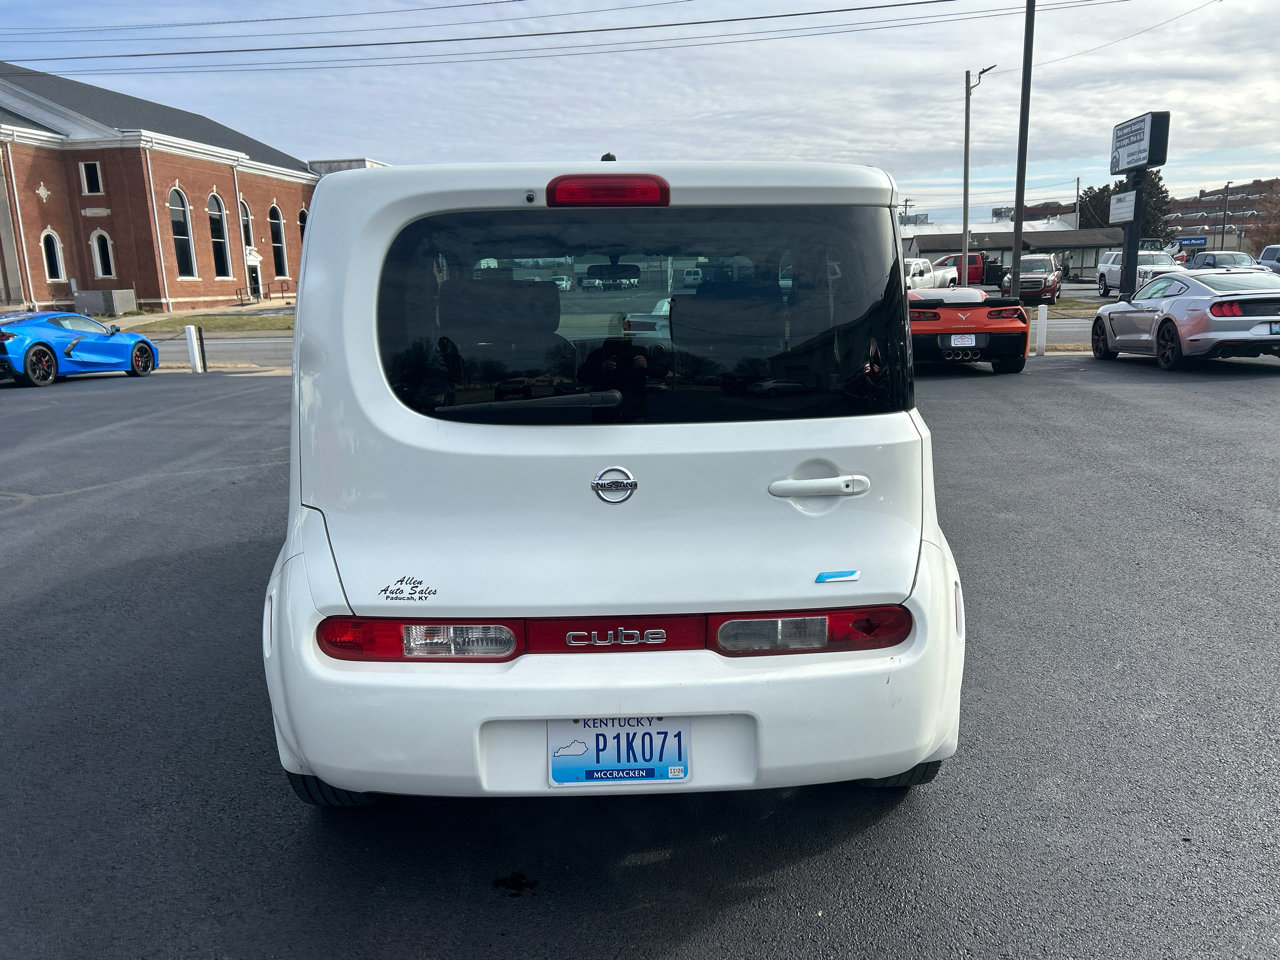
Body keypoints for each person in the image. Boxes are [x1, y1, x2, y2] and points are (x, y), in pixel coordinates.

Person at [577, 337, 666, 422]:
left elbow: (661, 373)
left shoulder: (639, 351)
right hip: (604, 411)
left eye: (625, 327)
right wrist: (602, 368)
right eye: (617, 326)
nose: (622, 330)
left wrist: (647, 365)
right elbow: (581, 375)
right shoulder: (599, 353)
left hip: (633, 411)